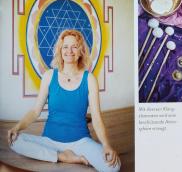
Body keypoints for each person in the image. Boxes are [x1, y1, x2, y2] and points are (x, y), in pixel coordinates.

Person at [8, 29, 121, 172]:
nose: (69, 51)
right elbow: (35, 111)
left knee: (113, 167)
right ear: (60, 50)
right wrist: (17, 127)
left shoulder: (90, 79)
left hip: (80, 141)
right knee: (15, 141)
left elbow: (97, 118)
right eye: (65, 46)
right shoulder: (49, 76)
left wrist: (106, 145)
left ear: (81, 51)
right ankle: (62, 156)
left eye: (74, 46)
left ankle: (59, 156)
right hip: (49, 141)